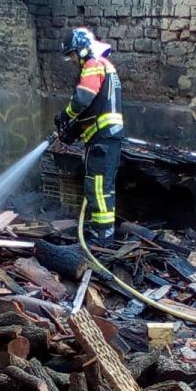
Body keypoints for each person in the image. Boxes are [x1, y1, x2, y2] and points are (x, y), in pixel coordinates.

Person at [53, 27, 124, 246]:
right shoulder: (104, 66)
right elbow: (93, 108)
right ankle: (100, 234)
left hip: (102, 141)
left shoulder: (94, 65)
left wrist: (65, 115)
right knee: (101, 189)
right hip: (103, 139)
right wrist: (71, 132)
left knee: (99, 191)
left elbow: (83, 99)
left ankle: (101, 239)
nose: (72, 60)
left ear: (82, 50)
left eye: (73, 54)